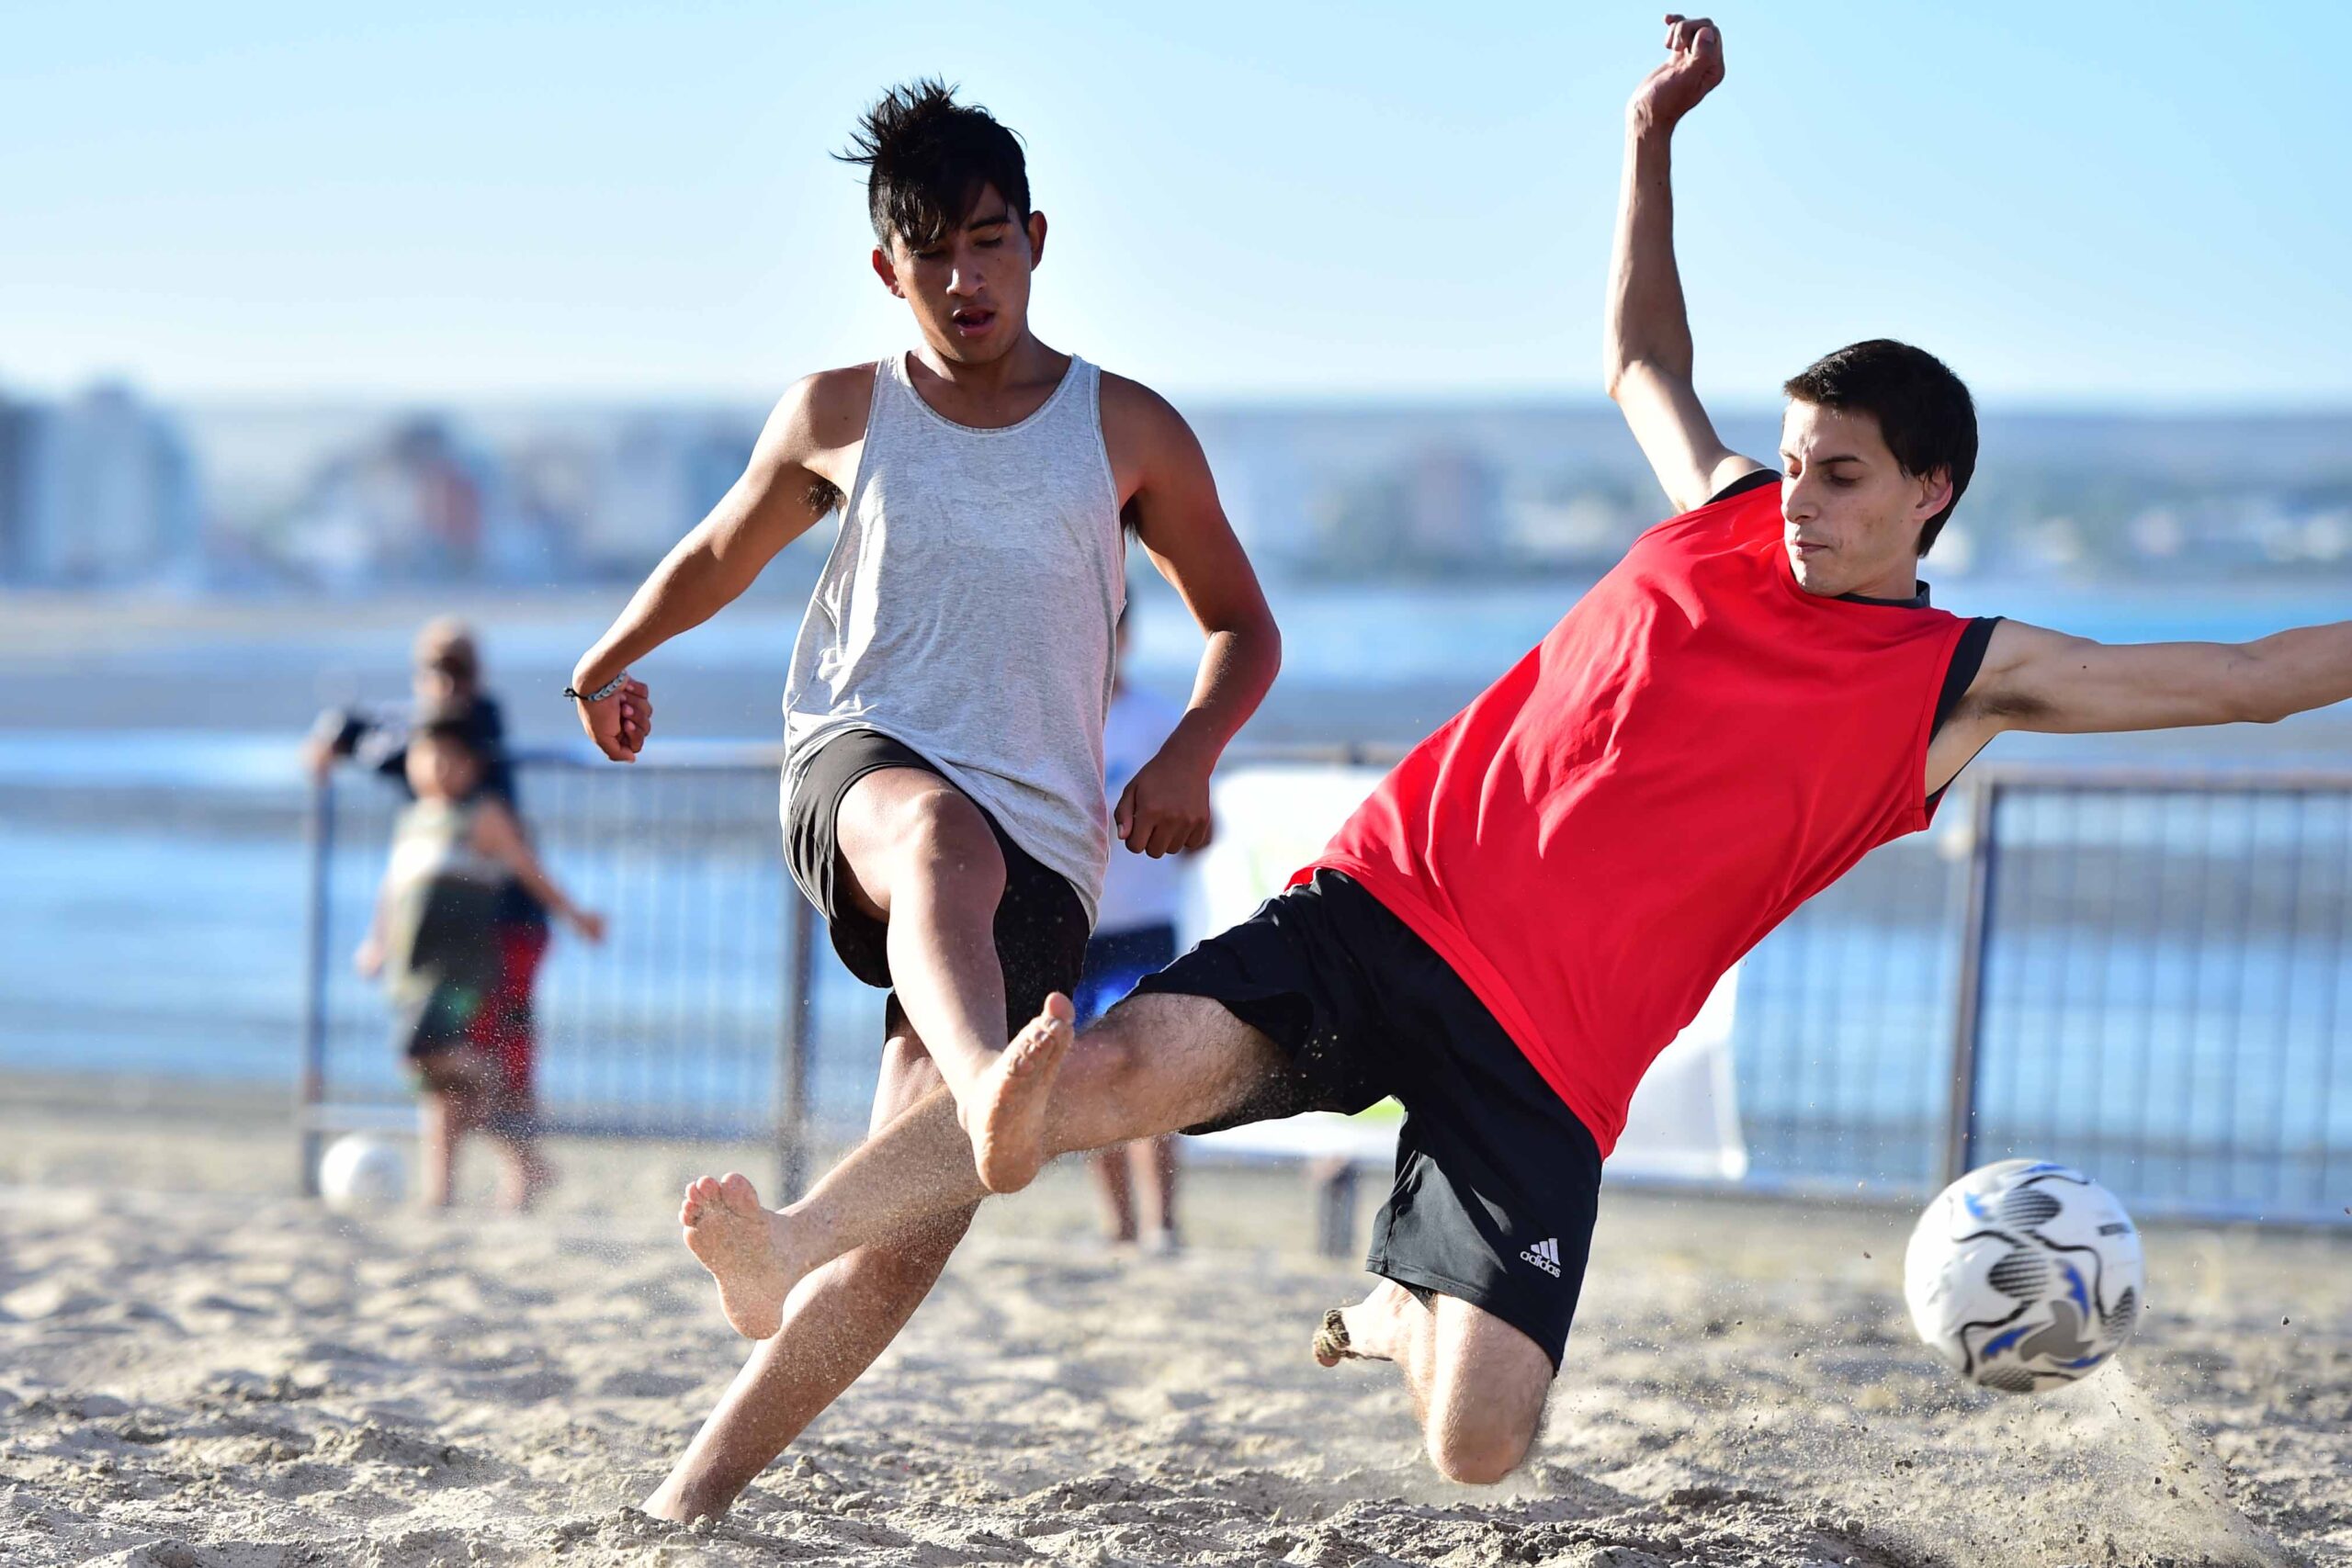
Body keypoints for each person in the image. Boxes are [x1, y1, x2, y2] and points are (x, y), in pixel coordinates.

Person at [668, 16, 2352, 1489]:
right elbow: (1640, 356)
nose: (1798, 497)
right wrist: (1648, 143)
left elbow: (2259, 673)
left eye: (1841, 474)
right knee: (1086, 1080)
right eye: (1792, 459)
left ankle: (1404, 1301)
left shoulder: (1962, 681)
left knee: (1480, 1441)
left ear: (1932, 494)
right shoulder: (1716, 518)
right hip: (1386, 911)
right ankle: (795, 1238)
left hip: (1549, 1060)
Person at [561, 82, 1278, 1521]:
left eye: (992, 242)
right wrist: (613, 655)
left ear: (1037, 241)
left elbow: (1241, 628)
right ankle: (988, 1086)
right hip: (863, 768)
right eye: (933, 251)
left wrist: (1190, 751)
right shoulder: (844, 411)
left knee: (909, 1210)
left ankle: (685, 1496)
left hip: (1049, 842)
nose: (966, 278)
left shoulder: (1125, 427)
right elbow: (719, 548)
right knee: (935, 835)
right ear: (887, 267)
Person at [306, 618, 555, 1149]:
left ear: (476, 675)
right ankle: (448, 1187)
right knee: (441, 1055)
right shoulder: (428, 733)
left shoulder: (476, 723)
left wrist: (346, 737)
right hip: (445, 930)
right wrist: (338, 730)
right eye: (434, 670)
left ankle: (523, 1171)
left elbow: (395, 744)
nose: (446, 682)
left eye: (456, 670)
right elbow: (387, 736)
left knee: (499, 1053)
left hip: (503, 920)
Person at [354, 713, 605, 1209]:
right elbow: (393, 888)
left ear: (473, 766)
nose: (439, 768)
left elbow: (530, 870)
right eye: (429, 757)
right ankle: (456, 1187)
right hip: (413, 969)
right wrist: (376, 942)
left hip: (462, 967)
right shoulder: (411, 820)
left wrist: (576, 915)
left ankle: (491, 1084)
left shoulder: (482, 814)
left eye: (452, 758)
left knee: (422, 1052)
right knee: (435, 1080)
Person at [1080, 611, 1192, 1252]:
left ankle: (1163, 1223)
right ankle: (1117, 1224)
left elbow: (1202, 825)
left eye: (1111, 630)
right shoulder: (1055, 714)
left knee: (1152, 1073)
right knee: (1089, 1073)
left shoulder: (1156, 718)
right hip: (1075, 926)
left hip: (1145, 924)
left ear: (1126, 638)